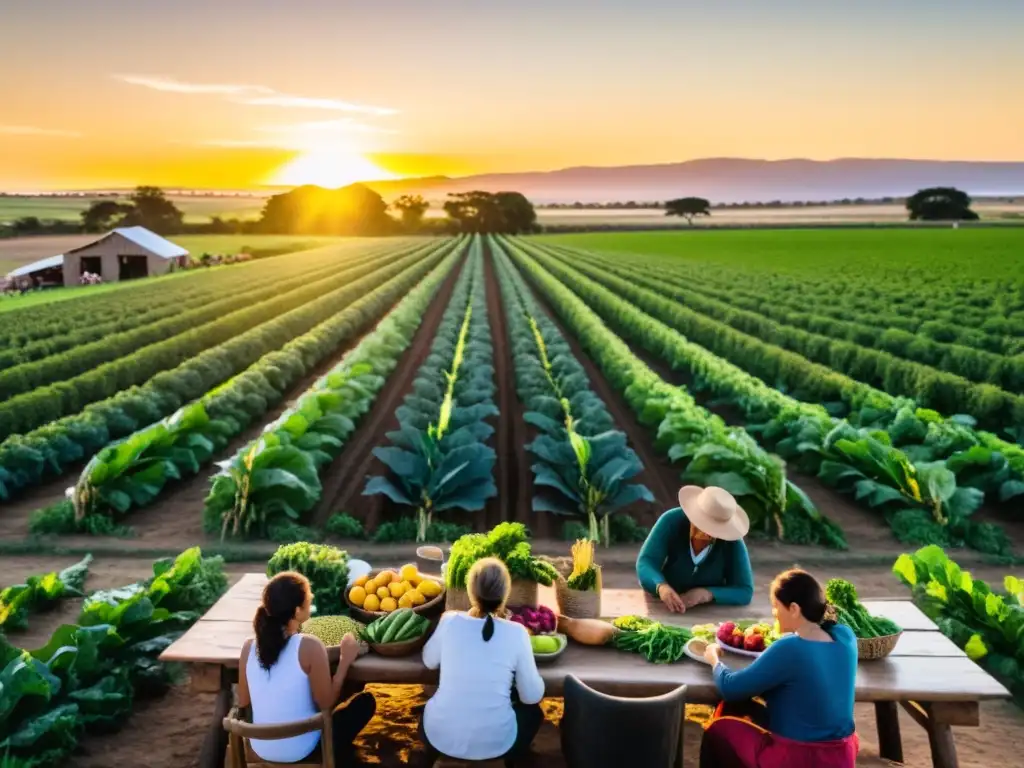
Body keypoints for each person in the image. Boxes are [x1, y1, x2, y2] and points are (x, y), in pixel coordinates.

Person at [699, 569, 859, 768]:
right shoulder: (846, 636)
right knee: (740, 708)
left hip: (799, 758)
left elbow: (730, 688)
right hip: (842, 756)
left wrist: (713, 658)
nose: (774, 613)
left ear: (793, 608)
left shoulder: (791, 647)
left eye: (776, 606)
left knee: (718, 729)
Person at [238, 572, 376, 766]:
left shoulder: (248, 647)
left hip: (261, 747)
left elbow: (243, 701)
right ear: (296, 611)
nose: (311, 600)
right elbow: (326, 703)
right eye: (308, 599)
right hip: (302, 749)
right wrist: (345, 661)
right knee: (365, 703)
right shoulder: (309, 645)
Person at [420, 557, 545, 763]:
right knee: (534, 714)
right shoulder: (518, 632)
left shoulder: (450, 621)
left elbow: (429, 661)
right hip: (498, 744)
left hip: (439, 737)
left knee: (425, 711)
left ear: (471, 591)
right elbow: (531, 696)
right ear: (505, 593)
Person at [637, 485, 754, 612]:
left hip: (711, 614)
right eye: (699, 524)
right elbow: (646, 561)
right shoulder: (671, 521)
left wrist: (707, 594)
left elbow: (744, 590)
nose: (703, 532)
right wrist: (661, 586)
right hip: (661, 606)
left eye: (711, 530)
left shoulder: (732, 540)